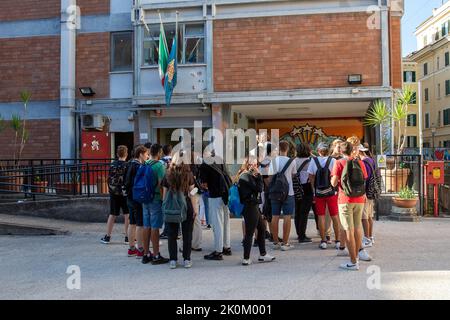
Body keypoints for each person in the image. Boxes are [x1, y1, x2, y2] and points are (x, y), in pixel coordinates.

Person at [331, 141, 371, 271]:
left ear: (341, 151)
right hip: (359, 198)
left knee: (348, 229)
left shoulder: (339, 162)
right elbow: (365, 177)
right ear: (352, 150)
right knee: (357, 227)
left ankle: (353, 262)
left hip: (345, 199)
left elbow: (333, 183)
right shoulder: (359, 162)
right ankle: (358, 255)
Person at [162, 151, 198, 269]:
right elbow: (192, 193)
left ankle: (173, 260)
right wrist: (195, 208)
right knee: (187, 234)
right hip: (186, 205)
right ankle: (186, 259)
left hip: (172, 206)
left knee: (172, 234)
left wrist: (164, 206)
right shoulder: (189, 174)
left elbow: (165, 193)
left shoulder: (168, 173)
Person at [237, 157, 276, 266]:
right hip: (250, 206)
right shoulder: (246, 176)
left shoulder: (246, 175)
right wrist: (259, 176)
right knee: (250, 232)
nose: (256, 166)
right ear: (248, 165)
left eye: (256, 164)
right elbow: (260, 188)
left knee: (262, 228)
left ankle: (263, 254)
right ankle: (246, 258)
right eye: (253, 164)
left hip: (253, 206)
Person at [199, 151, 232, 261]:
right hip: (226, 194)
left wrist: (205, 187)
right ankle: (226, 247)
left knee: (217, 224)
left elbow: (203, 184)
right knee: (226, 221)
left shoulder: (204, 164)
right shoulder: (220, 159)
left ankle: (218, 251)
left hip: (215, 195)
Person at [308, 142, 340, 250]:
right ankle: (338, 240)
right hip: (331, 193)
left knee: (321, 216)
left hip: (319, 193)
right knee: (334, 216)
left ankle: (323, 241)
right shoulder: (333, 161)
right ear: (328, 151)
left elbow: (311, 177)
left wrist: (314, 189)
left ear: (318, 151)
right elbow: (336, 176)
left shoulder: (313, 161)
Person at [141, 144, 169, 265]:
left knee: (146, 225)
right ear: (159, 152)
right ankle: (156, 254)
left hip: (144, 199)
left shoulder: (145, 163)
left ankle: (146, 254)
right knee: (155, 227)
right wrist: (164, 200)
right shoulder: (159, 166)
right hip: (155, 199)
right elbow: (162, 184)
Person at [269, 140, 297, 251]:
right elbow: (293, 175)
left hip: (275, 192)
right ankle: (285, 243)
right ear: (287, 149)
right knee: (287, 217)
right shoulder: (292, 161)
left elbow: (270, 177)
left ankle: (276, 242)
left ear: (278, 149)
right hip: (288, 192)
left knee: (274, 216)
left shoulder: (274, 161)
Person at [101, 145, 130, 244]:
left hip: (114, 193)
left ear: (117, 154)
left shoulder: (112, 164)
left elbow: (109, 179)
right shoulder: (127, 165)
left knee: (112, 214)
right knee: (127, 215)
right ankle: (127, 237)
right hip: (125, 193)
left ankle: (107, 237)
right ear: (126, 154)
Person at [124, 145, 148, 258]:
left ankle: (131, 248)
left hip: (129, 196)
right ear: (141, 154)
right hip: (137, 197)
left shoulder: (128, 163)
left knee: (132, 222)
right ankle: (140, 249)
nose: (147, 156)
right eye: (146, 154)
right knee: (140, 224)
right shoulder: (139, 166)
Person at [294, 143, 313, 243]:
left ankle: (298, 232)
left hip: (296, 187)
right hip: (307, 187)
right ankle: (302, 235)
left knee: (297, 211)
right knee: (304, 212)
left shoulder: (293, 161)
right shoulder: (311, 161)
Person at [359, 144, 376, 247]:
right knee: (370, 216)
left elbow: (364, 178)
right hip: (371, 192)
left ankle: (367, 238)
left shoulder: (363, 162)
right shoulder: (370, 160)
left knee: (364, 217)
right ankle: (370, 237)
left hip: (365, 192)